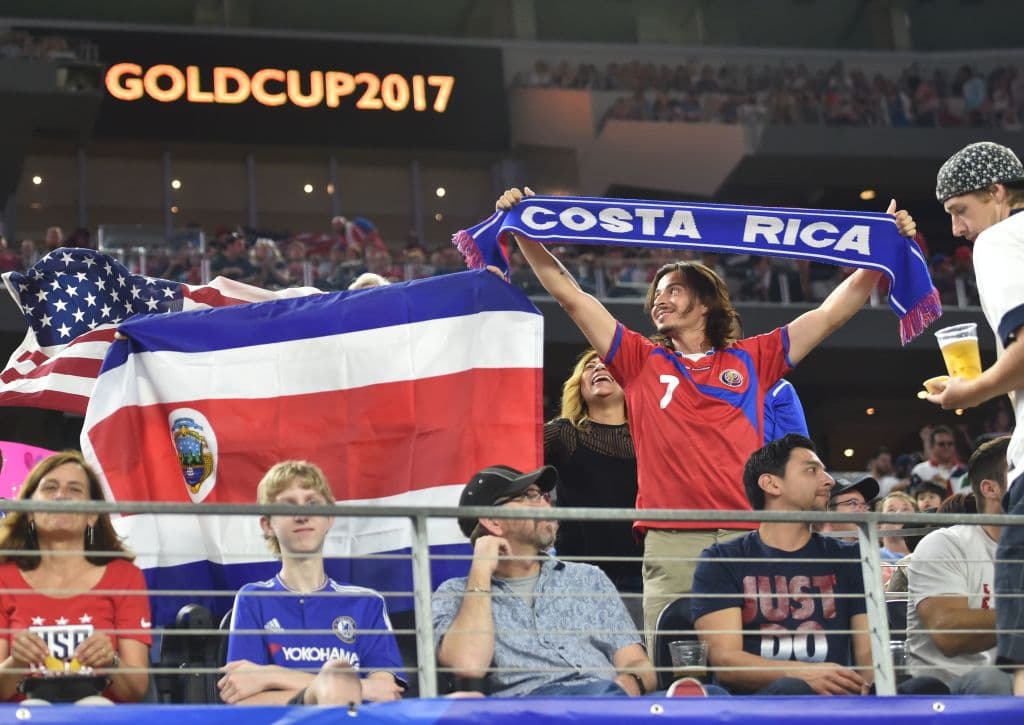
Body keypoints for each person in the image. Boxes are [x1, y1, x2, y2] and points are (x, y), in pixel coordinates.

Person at [495, 187, 918, 649]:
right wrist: (525, 232)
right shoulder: (638, 360)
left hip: (747, 533)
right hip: (671, 537)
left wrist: (881, 252)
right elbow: (571, 296)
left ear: (705, 303)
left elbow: (829, 314)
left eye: (672, 290)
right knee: (673, 659)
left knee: (755, 653)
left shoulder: (755, 357)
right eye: (656, 294)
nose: (659, 300)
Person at [691, 435, 946, 696]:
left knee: (928, 688)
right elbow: (727, 662)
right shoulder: (723, 560)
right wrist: (805, 674)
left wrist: (870, 685)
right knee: (791, 689)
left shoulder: (849, 558)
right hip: (764, 703)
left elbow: (868, 655)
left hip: (837, 698)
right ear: (771, 484)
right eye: (812, 470)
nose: (829, 481)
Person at [926, 141, 1024, 695]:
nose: (960, 231)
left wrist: (973, 389)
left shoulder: (1002, 237)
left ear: (997, 193)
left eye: (961, 210)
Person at [432, 464, 658, 697]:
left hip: (608, 701)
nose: (545, 505)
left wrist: (628, 685)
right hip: (533, 709)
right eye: (529, 496)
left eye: (543, 495)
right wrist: (480, 568)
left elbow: (637, 663)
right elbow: (468, 664)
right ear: (493, 521)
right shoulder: (454, 593)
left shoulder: (588, 578)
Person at [221, 461, 404, 705]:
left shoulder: (366, 602)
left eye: (312, 503)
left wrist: (271, 676)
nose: (302, 516)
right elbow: (242, 702)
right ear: (267, 525)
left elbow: (387, 693)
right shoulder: (253, 599)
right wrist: (330, 691)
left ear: (329, 517)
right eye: (288, 506)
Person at [0, 451, 151, 702]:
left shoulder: (125, 577)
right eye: (50, 488)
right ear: (28, 511)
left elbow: (136, 690)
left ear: (93, 515)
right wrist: (16, 663)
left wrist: (111, 662)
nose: (61, 496)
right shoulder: (3, 578)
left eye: (75, 490)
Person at [906, 436, 1013, 694]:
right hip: (947, 688)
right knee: (991, 681)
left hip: (1012, 678)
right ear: (991, 489)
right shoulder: (945, 544)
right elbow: (949, 634)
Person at [545, 349, 642, 607]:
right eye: (590, 366)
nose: (599, 368)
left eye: (608, 363)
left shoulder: (649, 436)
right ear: (579, 386)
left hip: (641, 573)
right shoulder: (562, 433)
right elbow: (517, 464)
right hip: (578, 573)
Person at [910, 425, 965, 496]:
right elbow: (912, 497)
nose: (946, 447)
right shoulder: (920, 470)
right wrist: (929, 486)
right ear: (932, 446)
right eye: (941, 444)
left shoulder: (964, 471)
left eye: (950, 444)